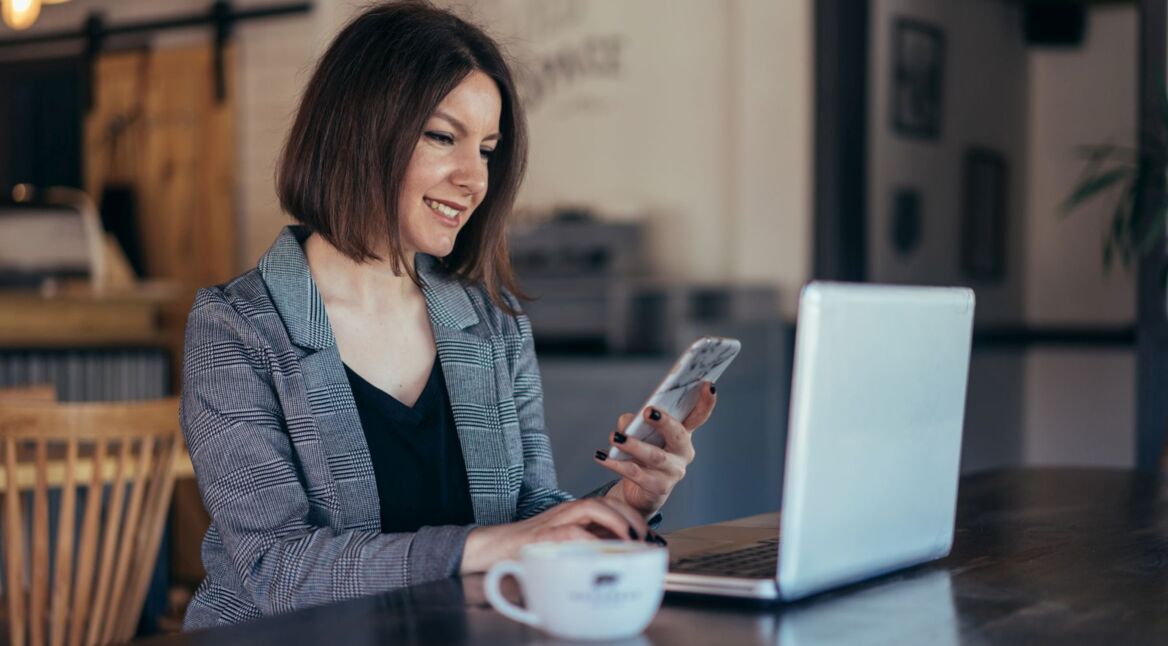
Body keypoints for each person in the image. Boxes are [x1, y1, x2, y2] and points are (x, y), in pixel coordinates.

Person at [180, 1, 717, 629]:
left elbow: (531, 515)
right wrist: (490, 546)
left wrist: (625, 501)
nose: (474, 178)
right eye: (443, 137)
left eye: (487, 149)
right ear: (358, 130)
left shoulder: (492, 322)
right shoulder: (235, 328)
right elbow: (279, 569)